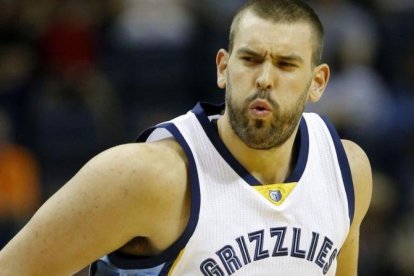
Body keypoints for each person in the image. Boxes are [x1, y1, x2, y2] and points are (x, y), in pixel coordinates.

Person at [0, 0, 372, 275]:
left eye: (286, 64)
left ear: (318, 82)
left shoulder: (346, 171)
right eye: (250, 59)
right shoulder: (148, 176)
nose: (264, 78)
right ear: (223, 68)